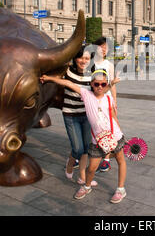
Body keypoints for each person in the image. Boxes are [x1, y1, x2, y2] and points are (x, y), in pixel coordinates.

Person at [41, 70, 127, 203]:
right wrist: (48, 77)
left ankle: (121, 189)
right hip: (97, 140)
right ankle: (87, 186)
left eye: (103, 84)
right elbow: (67, 83)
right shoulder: (86, 94)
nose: (99, 86)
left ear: (106, 85)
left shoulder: (108, 98)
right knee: (91, 168)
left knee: (120, 161)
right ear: (91, 84)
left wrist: (120, 133)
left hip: (114, 135)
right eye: (96, 83)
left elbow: (113, 116)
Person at [59, 46, 94, 186]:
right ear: (75, 58)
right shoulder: (67, 72)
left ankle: (82, 177)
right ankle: (70, 164)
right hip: (71, 115)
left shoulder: (92, 74)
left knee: (86, 148)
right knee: (78, 149)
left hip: (86, 116)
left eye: (86, 58)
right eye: (81, 57)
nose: (83, 61)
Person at [91, 37, 117, 172]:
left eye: (106, 47)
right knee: (92, 127)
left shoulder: (109, 65)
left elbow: (112, 85)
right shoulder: (89, 63)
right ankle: (85, 155)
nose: (104, 49)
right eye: (101, 46)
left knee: (107, 128)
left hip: (106, 100)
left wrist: (114, 102)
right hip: (92, 100)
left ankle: (106, 159)